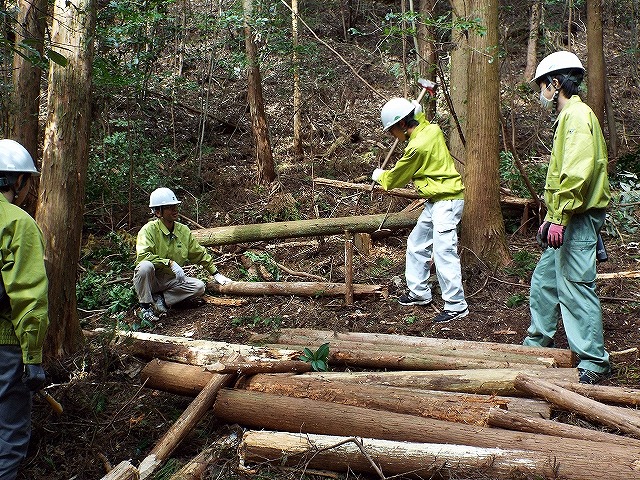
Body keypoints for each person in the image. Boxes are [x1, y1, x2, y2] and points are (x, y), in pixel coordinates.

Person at [525, 50, 611, 384]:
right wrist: (551, 216)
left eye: (543, 85)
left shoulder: (576, 116)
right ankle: (536, 347)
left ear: (555, 83)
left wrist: (559, 217)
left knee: (575, 288)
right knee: (545, 282)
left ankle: (593, 361)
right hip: (564, 214)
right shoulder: (569, 118)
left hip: (576, 216)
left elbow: (577, 173)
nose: (541, 92)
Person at [372, 97, 468, 323]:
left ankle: (456, 305)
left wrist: (380, 176)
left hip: (447, 201)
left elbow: (396, 178)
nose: (392, 136)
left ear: (403, 125)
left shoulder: (417, 146)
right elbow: (421, 118)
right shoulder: (431, 129)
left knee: (444, 252)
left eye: (392, 130)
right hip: (435, 201)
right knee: (417, 242)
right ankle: (419, 292)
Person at [0, 139, 50, 479]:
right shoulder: (18, 223)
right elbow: (28, 297)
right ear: (17, 181)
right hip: (6, 343)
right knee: (10, 432)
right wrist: (32, 360)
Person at [133, 187, 232, 324]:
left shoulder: (183, 231)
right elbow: (143, 257)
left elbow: (198, 253)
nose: (174, 210)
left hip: (171, 280)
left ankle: (162, 299)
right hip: (152, 281)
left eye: (175, 206)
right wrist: (169, 263)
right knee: (145, 266)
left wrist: (216, 274)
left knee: (199, 286)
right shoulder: (148, 231)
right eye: (169, 207)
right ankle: (145, 307)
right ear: (157, 212)